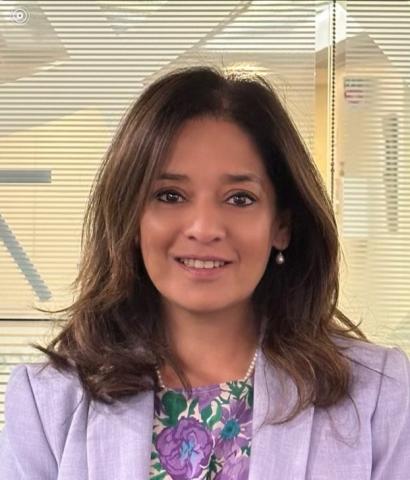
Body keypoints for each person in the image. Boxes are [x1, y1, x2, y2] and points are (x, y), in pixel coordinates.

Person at [0, 65, 409, 480]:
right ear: (131, 220)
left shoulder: (377, 393)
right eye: (170, 195)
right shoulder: (49, 400)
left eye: (240, 198)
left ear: (282, 225)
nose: (204, 228)